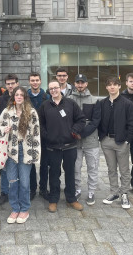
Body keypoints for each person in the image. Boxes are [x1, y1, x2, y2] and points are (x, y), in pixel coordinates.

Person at [38, 80, 86, 213]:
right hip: (52, 147)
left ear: (61, 89)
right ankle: (53, 199)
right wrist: (47, 135)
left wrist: (74, 131)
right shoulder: (45, 106)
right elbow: (39, 124)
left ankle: (71, 199)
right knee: (54, 174)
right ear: (49, 91)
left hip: (69, 145)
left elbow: (81, 119)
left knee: (70, 173)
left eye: (56, 88)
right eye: (51, 89)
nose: (53, 90)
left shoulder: (70, 104)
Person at [0, 86, 41, 224]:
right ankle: (15, 208)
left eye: (22, 95)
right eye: (17, 94)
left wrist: (35, 153)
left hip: (26, 150)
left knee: (24, 182)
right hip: (11, 151)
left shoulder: (32, 112)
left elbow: (36, 134)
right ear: (13, 97)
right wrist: (4, 129)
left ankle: (25, 209)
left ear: (25, 97)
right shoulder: (7, 111)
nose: (19, 97)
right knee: (12, 181)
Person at [97, 77, 133, 209]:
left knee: (124, 169)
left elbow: (132, 123)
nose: (112, 87)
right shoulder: (102, 103)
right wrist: (102, 137)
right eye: (109, 85)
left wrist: (127, 140)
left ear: (120, 86)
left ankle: (124, 193)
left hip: (121, 142)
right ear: (106, 87)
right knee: (111, 169)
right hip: (106, 141)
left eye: (115, 84)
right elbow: (98, 121)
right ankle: (114, 192)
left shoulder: (127, 103)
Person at [67, 74, 99, 206]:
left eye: (82, 83)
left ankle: (91, 191)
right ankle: (77, 189)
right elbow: (67, 120)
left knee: (92, 167)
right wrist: (75, 133)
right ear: (74, 84)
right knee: (76, 167)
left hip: (91, 141)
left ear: (86, 84)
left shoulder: (94, 100)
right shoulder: (68, 99)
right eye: (78, 82)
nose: (80, 85)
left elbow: (96, 121)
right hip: (75, 141)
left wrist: (83, 133)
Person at [0, 74, 19, 207]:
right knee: (4, 167)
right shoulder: (2, 100)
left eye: (12, 83)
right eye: (8, 83)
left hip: (19, 140)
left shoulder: (22, 96)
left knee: (18, 167)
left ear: (17, 83)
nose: (10, 86)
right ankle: (4, 192)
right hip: (5, 138)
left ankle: (17, 192)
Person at [27, 72, 50, 200]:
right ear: (29, 82)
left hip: (44, 135)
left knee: (44, 163)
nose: (35, 82)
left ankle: (43, 188)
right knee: (30, 163)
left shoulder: (46, 96)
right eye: (32, 80)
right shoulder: (25, 97)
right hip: (29, 136)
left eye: (37, 80)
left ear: (40, 81)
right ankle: (32, 189)